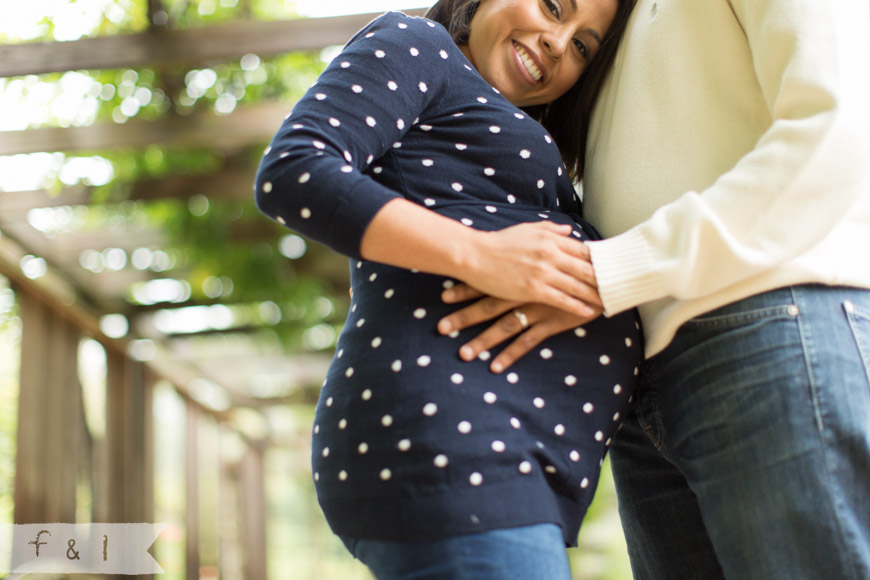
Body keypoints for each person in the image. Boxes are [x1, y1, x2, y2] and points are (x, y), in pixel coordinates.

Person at [437, 1, 870, 578]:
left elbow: (839, 129)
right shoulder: (605, 18)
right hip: (641, 387)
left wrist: (612, 269)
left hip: (769, 327)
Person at [254, 1, 640, 578]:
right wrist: (481, 254)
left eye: (584, 45)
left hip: (498, 460)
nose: (560, 43)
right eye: (554, 5)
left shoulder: (510, 123)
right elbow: (294, 170)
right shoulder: (421, 43)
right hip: (457, 445)